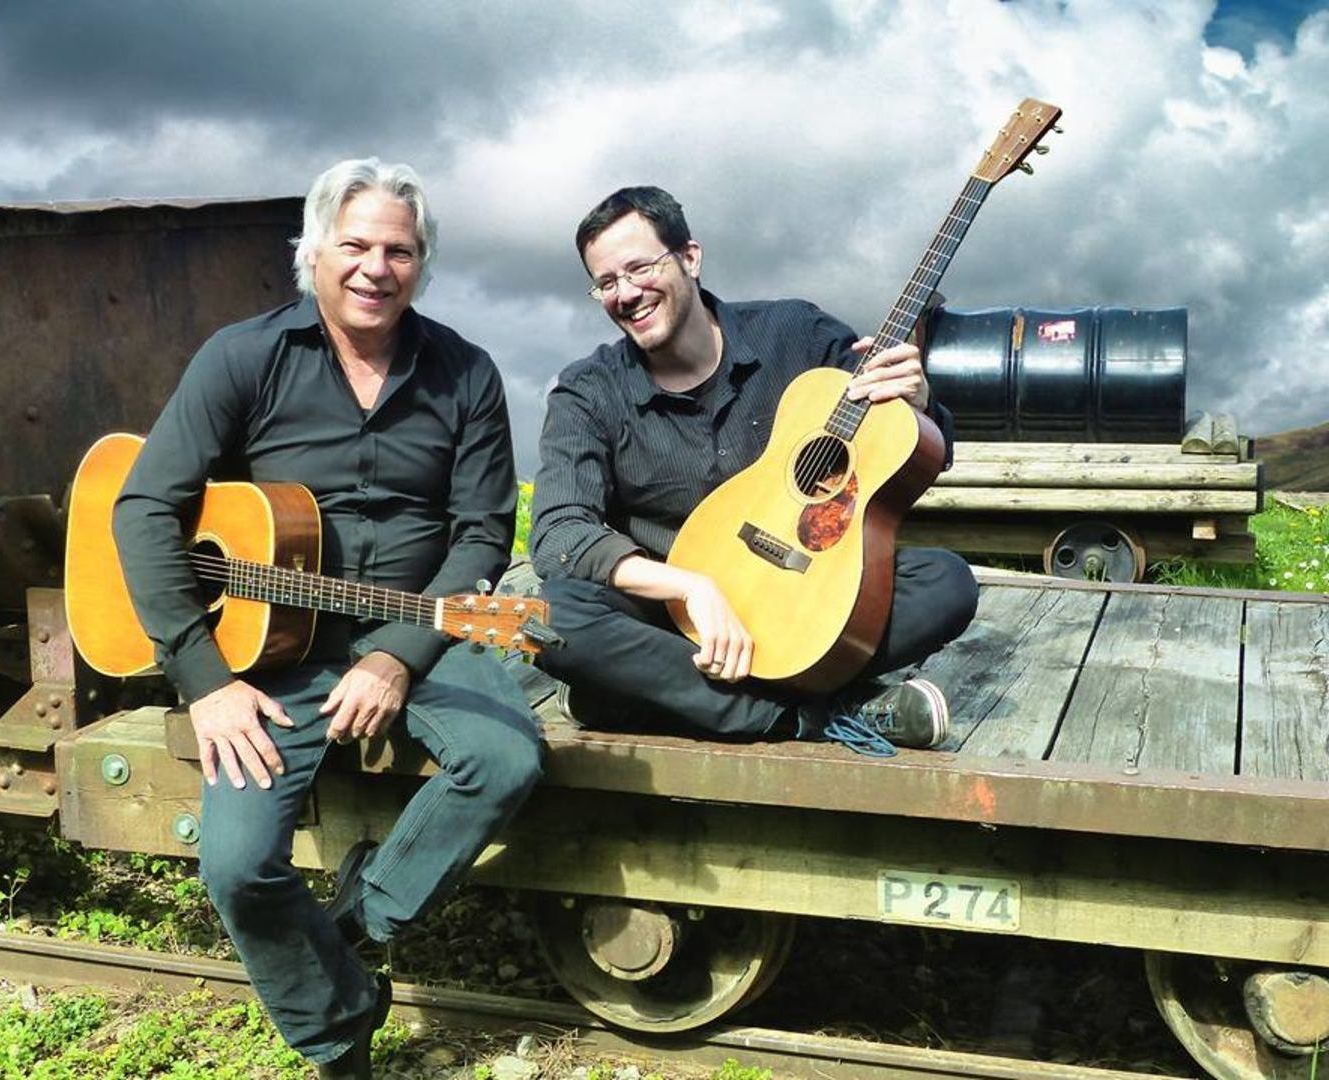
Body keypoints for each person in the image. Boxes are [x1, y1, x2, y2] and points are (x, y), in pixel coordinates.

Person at [112, 158, 542, 1078]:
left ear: (421, 264)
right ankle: (338, 1028)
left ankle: (362, 921)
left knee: (507, 756)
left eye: (400, 250)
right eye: (354, 245)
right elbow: (144, 506)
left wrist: (395, 657)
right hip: (265, 654)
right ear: (312, 251)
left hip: (416, 628)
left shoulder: (466, 372)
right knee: (235, 869)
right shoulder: (244, 355)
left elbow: (479, 538)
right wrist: (206, 681)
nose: (375, 268)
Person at [530, 186, 977, 752]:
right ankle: (809, 717)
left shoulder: (797, 334)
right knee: (549, 615)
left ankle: (640, 697)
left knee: (946, 582)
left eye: (639, 268)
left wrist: (916, 404)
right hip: (671, 621)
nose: (626, 293)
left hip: (805, 596)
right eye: (606, 282)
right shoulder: (588, 392)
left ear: (689, 257)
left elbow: (916, 451)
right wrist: (692, 587)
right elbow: (559, 534)